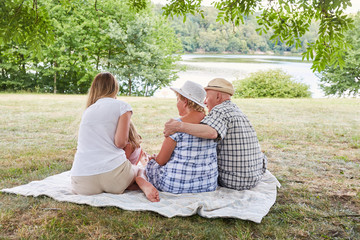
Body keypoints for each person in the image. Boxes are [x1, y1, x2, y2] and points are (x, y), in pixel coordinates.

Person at [164, 78, 267, 191]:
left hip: (233, 180)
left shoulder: (219, 110)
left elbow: (211, 132)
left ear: (218, 97)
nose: (204, 102)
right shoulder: (235, 109)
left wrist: (178, 126)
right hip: (255, 175)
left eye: (207, 97)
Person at [70, 72, 159, 202]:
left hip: (82, 182)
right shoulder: (122, 106)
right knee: (140, 169)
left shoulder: (88, 110)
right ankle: (140, 179)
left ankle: (132, 182)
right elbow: (120, 142)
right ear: (115, 88)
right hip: (114, 179)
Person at [146, 81, 218, 194]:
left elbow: (161, 161)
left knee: (151, 166)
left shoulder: (175, 126)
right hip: (207, 185)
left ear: (185, 101)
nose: (177, 103)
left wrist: (155, 158)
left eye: (178, 100)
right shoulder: (212, 125)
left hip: (175, 186)